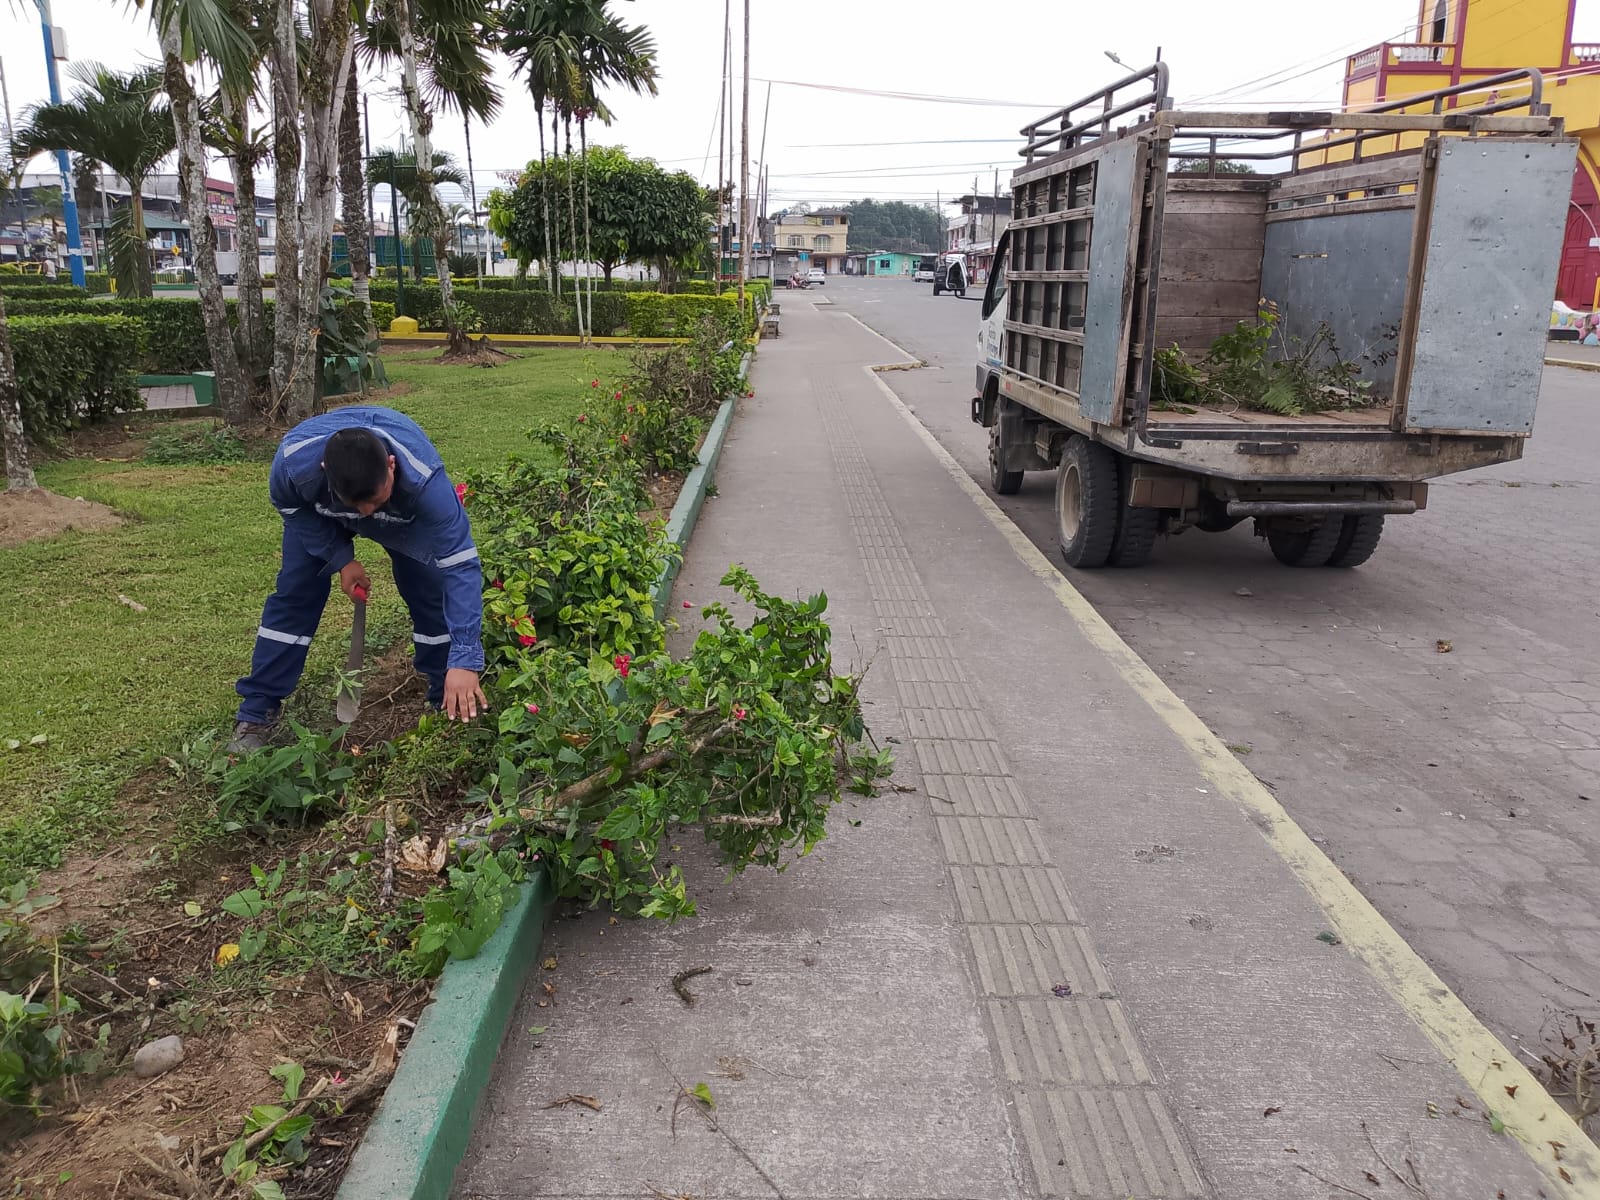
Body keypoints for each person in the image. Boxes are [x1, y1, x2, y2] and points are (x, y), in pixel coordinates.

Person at [230, 407, 488, 752]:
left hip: (404, 516)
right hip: (322, 513)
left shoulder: (425, 483)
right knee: (296, 595)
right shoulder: (294, 465)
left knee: (430, 590)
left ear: (392, 466)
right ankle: (257, 711)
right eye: (355, 504)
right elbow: (291, 508)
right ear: (325, 470)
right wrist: (339, 558)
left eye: (374, 500)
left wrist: (465, 659)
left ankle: (446, 697)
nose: (366, 513)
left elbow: (460, 565)